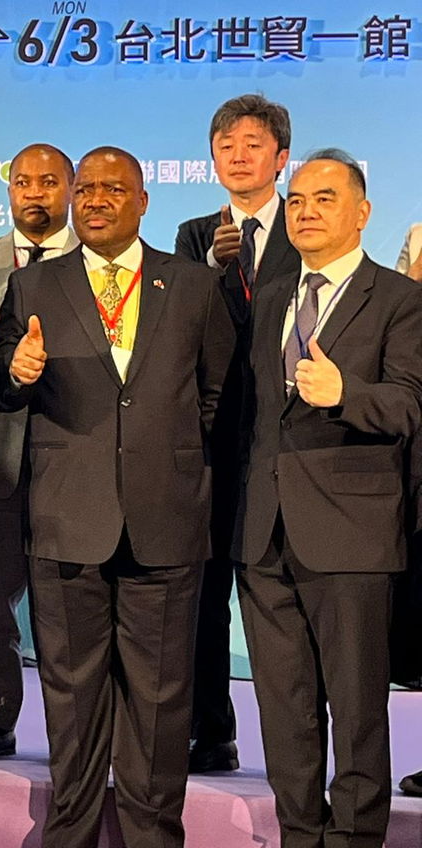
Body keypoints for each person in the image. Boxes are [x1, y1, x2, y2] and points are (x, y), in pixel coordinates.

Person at [0, 146, 233, 848]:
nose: (94, 199)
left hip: (165, 519)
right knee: (72, 696)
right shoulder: (36, 286)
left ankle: (154, 837)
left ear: (143, 202)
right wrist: (16, 370)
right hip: (67, 519)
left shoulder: (190, 285)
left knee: (158, 702)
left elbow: (215, 396)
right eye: (85, 188)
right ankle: (72, 834)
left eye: (112, 189)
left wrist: (168, 458)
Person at [235, 151, 422, 848]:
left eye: (324, 199)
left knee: (356, 708)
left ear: (362, 212)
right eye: (297, 201)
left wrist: (349, 396)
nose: (306, 211)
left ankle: (354, 839)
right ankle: (298, 835)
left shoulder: (401, 300)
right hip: (262, 533)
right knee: (284, 709)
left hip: (352, 532)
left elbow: (412, 405)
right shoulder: (272, 296)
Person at [172, 94, 297, 774]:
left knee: (285, 592)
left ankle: (298, 744)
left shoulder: (305, 227)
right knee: (205, 593)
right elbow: (181, 330)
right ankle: (211, 729)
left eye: (252, 143)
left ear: (281, 157)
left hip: (290, 437)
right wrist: (212, 273)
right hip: (213, 442)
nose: (238, 155)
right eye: (225, 145)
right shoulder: (196, 236)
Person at [0, 143, 76, 763]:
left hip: (73, 453)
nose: (34, 192)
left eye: (48, 182)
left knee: (67, 601)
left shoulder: (103, 264)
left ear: (70, 190)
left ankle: (74, 726)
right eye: (22, 181)